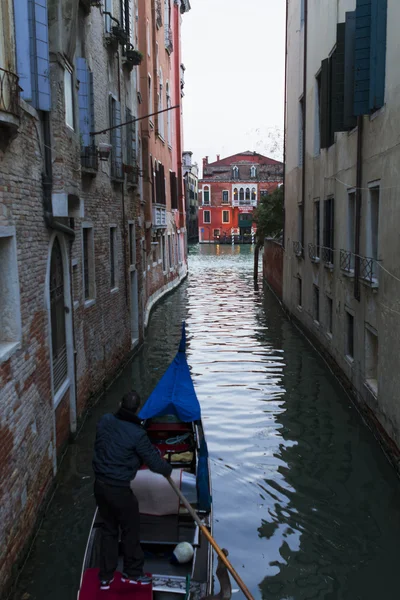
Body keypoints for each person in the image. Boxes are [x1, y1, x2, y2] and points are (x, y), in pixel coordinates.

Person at [92, 390, 172, 590]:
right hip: (119, 490)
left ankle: (105, 577)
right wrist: (168, 469)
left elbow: (107, 446)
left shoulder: (105, 420)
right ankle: (133, 573)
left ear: (120, 403)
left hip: (99, 486)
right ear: (137, 409)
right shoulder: (138, 434)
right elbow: (156, 465)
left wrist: (133, 460)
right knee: (131, 530)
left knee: (109, 530)